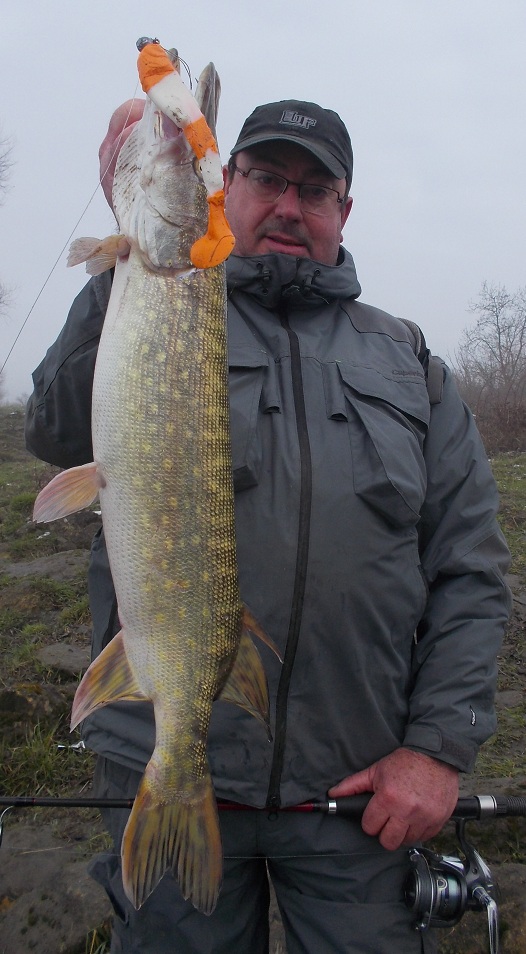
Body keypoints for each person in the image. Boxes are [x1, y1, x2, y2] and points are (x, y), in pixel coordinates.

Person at [25, 95, 511, 954]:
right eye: (264, 177)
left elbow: (470, 571)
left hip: (357, 793)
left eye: (315, 188)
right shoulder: (152, 296)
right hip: (160, 766)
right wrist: (120, 258)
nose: (288, 205)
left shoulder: (411, 365)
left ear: (343, 209)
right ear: (226, 189)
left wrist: (437, 749)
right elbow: (56, 429)